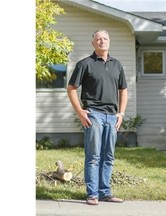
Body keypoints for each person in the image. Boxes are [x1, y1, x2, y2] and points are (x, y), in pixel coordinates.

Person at [67, 30, 128, 205]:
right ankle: (92, 194)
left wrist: (121, 113)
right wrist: (80, 111)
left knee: (108, 156)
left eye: (105, 38)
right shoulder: (85, 64)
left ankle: (105, 192)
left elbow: (123, 90)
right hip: (93, 114)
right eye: (98, 39)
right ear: (93, 43)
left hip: (112, 117)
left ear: (109, 41)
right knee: (93, 156)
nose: (102, 41)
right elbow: (71, 88)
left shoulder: (117, 65)